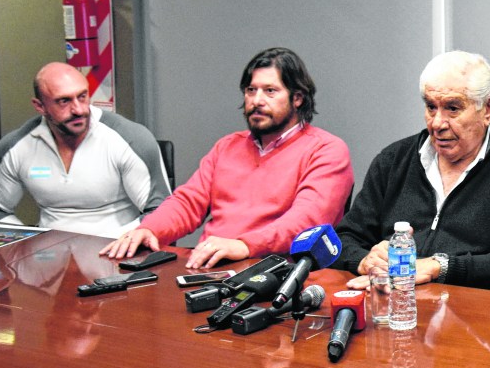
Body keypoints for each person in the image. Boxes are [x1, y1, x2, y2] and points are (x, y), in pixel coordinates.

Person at [100, 47, 354, 269]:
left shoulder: (326, 149)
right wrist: (149, 229)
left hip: (276, 273)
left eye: (270, 91)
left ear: (297, 98)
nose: (257, 101)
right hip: (209, 266)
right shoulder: (227, 146)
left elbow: (307, 222)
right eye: (251, 90)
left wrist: (244, 245)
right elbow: (188, 202)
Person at [332, 50, 490, 295]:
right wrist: (365, 261)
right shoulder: (393, 161)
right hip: (393, 303)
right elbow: (343, 239)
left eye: (453, 108)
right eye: (430, 107)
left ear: (488, 109)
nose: (437, 123)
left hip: (473, 309)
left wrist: (440, 267)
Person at [0, 62, 171, 238]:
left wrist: (120, 243)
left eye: (82, 96)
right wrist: (26, 244)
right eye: (64, 101)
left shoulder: (131, 139)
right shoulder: (14, 148)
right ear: (40, 106)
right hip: (49, 254)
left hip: (117, 248)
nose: (78, 110)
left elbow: (161, 212)